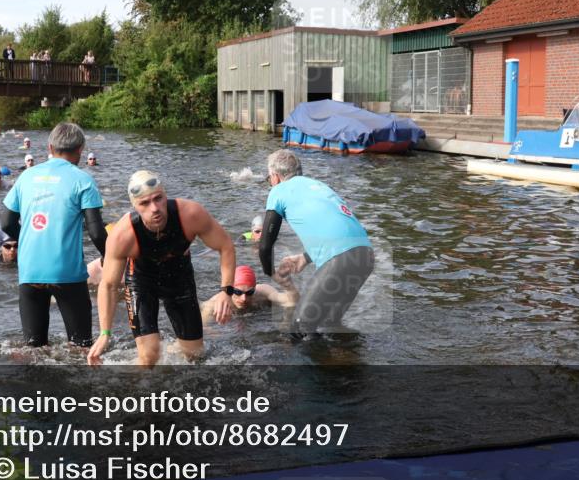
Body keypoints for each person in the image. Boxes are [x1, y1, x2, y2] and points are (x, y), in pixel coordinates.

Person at [86, 170, 236, 367]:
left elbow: (225, 247)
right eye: (145, 203)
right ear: (135, 207)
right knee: (150, 357)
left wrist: (226, 292)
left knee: (195, 356)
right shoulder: (123, 234)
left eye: (158, 199)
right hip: (141, 282)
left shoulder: (190, 214)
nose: (154, 208)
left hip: (179, 277)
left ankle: (175, 353)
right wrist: (104, 334)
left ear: (165, 195)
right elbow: (109, 285)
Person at [2, 122, 107, 348]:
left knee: (34, 348)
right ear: (80, 149)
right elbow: (97, 232)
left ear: (50, 147)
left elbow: (7, 223)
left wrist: (29, 241)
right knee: (81, 347)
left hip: (30, 271)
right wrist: (110, 257)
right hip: (66, 273)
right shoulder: (83, 180)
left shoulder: (27, 177)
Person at [260, 149, 374, 337]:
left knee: (299, 328)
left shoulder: (278, 191)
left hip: (340, 259)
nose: (270, 183)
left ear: (275, 176)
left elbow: (265, 246)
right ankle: (347, 360)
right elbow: (341, 231)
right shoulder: (319, 186)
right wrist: (305, 257)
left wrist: (271, 274)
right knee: (330, 324)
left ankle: (312, 366)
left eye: (269, 179)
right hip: (366, 256)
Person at [200, 264, 298, 324]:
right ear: (230, 289)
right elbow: (201, 326)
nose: (244, 298)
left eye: (250, 292)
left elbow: (291, 302)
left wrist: (288, 285)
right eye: (238, 292)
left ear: (255, 289)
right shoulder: (215, 303)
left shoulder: (263, 292)